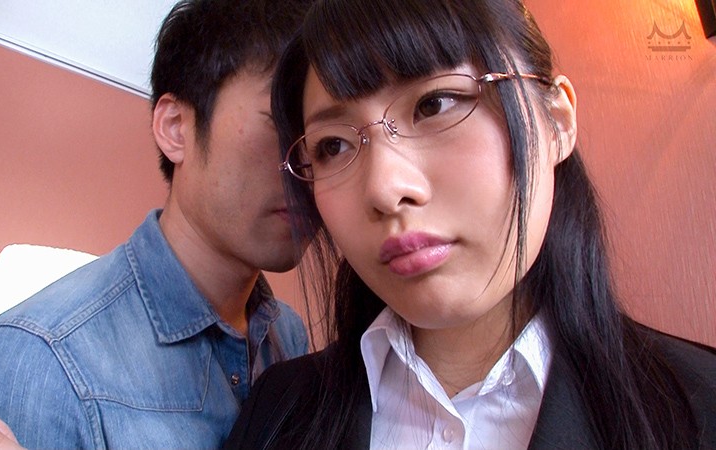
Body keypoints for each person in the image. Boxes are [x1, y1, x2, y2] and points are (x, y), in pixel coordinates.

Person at [223, 0, 716, 449]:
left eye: (434, 104)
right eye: (333, 146)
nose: (385, 189)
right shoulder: (277, 413)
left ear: (557, 119)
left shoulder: (699, 408)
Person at [0, 0, 312, 448]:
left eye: (326, 140)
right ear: (176, 127)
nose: (308, 166)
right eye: (281, 124)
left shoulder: (288, 336)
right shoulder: (37, 361)